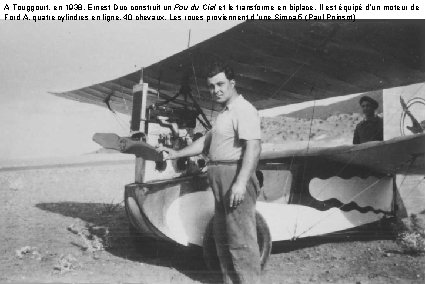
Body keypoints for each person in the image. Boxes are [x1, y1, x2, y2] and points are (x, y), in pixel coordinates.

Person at [158, 61, 262, 283]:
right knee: (223, 239)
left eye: (221, 84)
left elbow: (253, 147)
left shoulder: (244, 109)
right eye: (212, 86)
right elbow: (205, 143)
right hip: (218, 177)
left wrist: (241, 182)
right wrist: (175, 154)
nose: (216, 90)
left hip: (234, 175)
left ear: (232, 83)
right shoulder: (224, 113)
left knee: (240, 241)